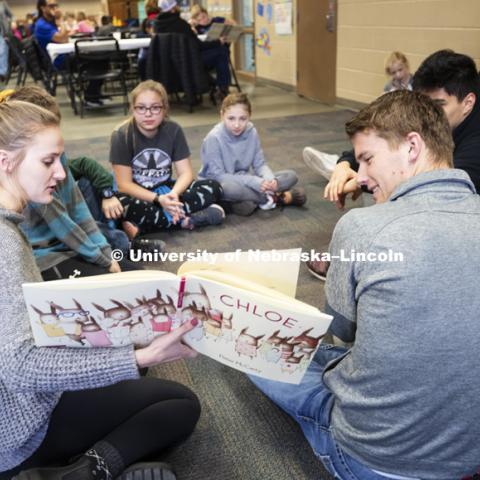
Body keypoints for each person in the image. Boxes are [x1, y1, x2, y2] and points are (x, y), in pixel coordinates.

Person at [250, 89, 480, 480]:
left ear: (412, 146)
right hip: (468, 454)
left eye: (367, 158)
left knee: (259, 342)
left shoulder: (363, 227)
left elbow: (339, 332)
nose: (359, 176)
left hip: (375, 460)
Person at [0, 100, 201, 480]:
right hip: (18, 429)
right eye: (48, 161)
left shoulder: (10, 223)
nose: (60, 172)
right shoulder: (4, 241)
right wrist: (138, 357)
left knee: (133, 379)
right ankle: (83, 470)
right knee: (178, 404)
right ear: (5, 161)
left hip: (16, 411)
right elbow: (21, 367)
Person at [307, 49, 480, 280]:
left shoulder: (473, 146)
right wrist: (345, 164)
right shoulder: (437, 120)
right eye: (424, 104)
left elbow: (428, 190)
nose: (428, 114)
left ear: (468, 102)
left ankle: (358, 264)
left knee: (397, 199)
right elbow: (384, 138)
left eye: (438, 105)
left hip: (459, 223)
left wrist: (362, 181)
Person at [3, 85, 140, 280]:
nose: (60, 172)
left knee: (136, 271)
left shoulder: (46, 171)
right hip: (48, 255)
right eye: (48, 161)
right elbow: (63, 224)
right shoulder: (7, 236)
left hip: (67, 246)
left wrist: (105, 253)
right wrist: (104, 259)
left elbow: (79, 209)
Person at [110, 80, 225, 236]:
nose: (148, 114)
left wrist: (173, 195)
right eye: (141, 108)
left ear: (164, 109)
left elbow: (185, 173)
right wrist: (158, 200)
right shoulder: (121, 135)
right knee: (120, 205)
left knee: (213, 186)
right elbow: (124, 185)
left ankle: (147, 226)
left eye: (155, 108)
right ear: (133, 109)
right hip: (137, 194)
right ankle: (185, 220)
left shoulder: (174, 130)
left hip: (166, 190)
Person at [303, 50, 413, 181]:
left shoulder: (417, 83)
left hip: (408, 124)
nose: (398, 75)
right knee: (369, 135)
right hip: (394, 121)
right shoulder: (390, 86)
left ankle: (344, 164)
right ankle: (344, 163)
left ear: (407, 66)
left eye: (400, 70)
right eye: (393, 73)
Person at [199, 92, 306, 216]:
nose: (237, 125)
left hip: (244, 179)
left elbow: (259, 164)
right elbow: (219, 177)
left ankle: (259, 198)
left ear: (249, 116)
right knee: (228, 189)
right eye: (231, 118)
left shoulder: (251, 131)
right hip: (219, 183)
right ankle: (274, 198)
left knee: (291, 175)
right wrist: (255, 182)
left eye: (242, 119)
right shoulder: (213, 138)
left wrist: (270, 180)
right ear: (222, 116)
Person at [154, 0, 231, 97]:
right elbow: (198, 46)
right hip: (189, 63)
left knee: (219, 51)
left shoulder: (157, 25)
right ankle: (223, 88)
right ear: (173, 9)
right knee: (221, 51)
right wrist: (218, 42)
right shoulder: (181, 25)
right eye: (176, 5)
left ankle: (214, 83)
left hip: (168, 64)